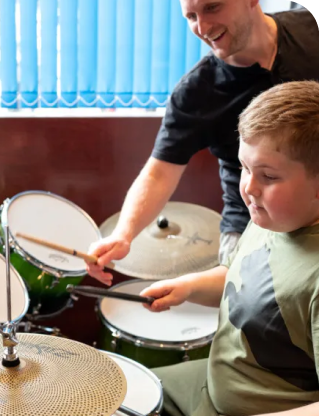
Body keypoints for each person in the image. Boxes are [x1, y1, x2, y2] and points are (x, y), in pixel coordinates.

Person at [137, 80, 319, 416]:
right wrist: (188, 287)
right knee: (111, 387)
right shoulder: (273, 216)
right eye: (244, 167)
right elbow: (249, 283)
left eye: (268, 176)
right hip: (214, 383)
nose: (248, 187)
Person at [87, 0, 319, 286]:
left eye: (212, 8)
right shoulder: (195, 93)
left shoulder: (310, 27)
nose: (202, 27)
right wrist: (124, 234)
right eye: (191, 16)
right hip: (251, 221)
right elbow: (159, 173)